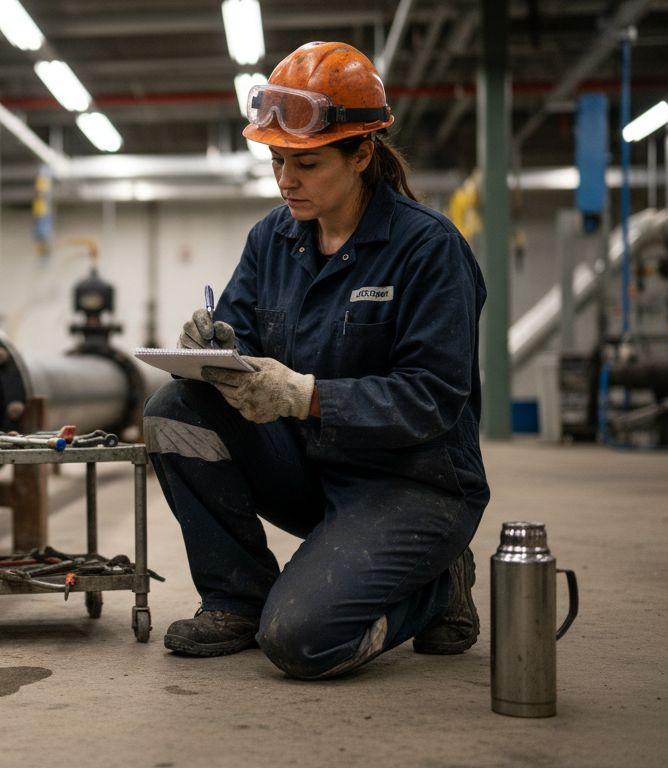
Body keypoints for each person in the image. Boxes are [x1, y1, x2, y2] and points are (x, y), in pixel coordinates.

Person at [144, 41, 489, 679]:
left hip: (412, 484)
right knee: (174, 408)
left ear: (362, 155)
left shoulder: (429, 250)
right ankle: (236, 598)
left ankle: (439, 580)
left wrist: (306, 395)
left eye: (305, 162)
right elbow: (242, 336)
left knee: (301, 641)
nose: (285, 181)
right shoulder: (273, 237)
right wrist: (218, 348)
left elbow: (434, 397)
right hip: (315, 468)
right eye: (277, 161)